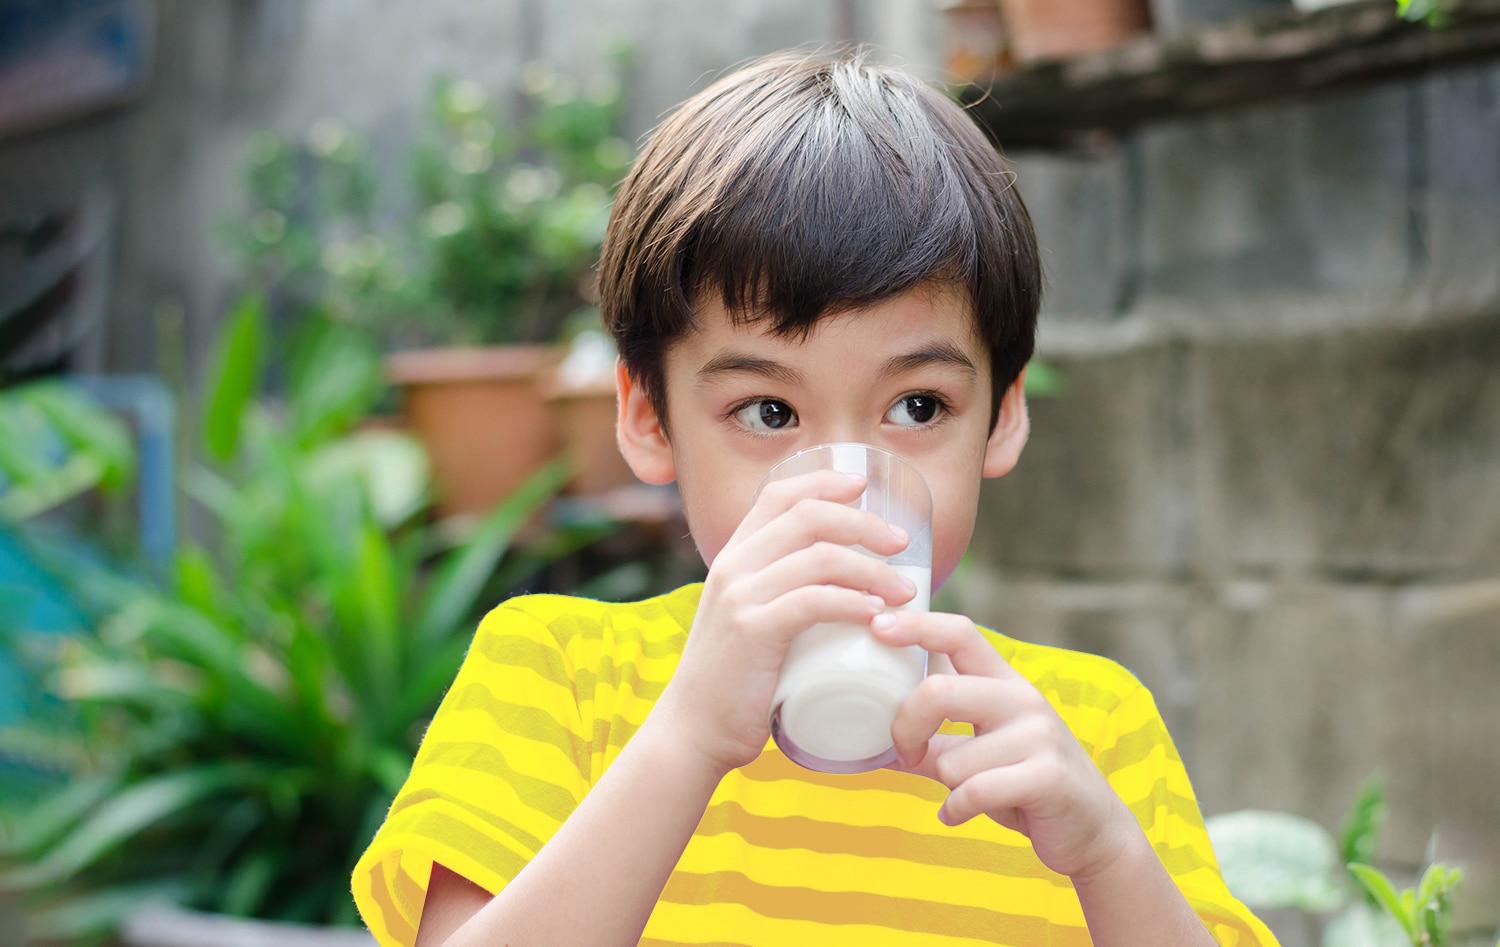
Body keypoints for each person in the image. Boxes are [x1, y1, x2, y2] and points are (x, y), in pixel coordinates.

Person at [352, 48, 1277, 947]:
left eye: (918, 406)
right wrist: (685, 740)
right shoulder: (559, 678)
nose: (845, 480)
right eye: (767, 409)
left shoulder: (1086, 731)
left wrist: (1109, 855)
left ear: (1000, 418)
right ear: (648, 418)